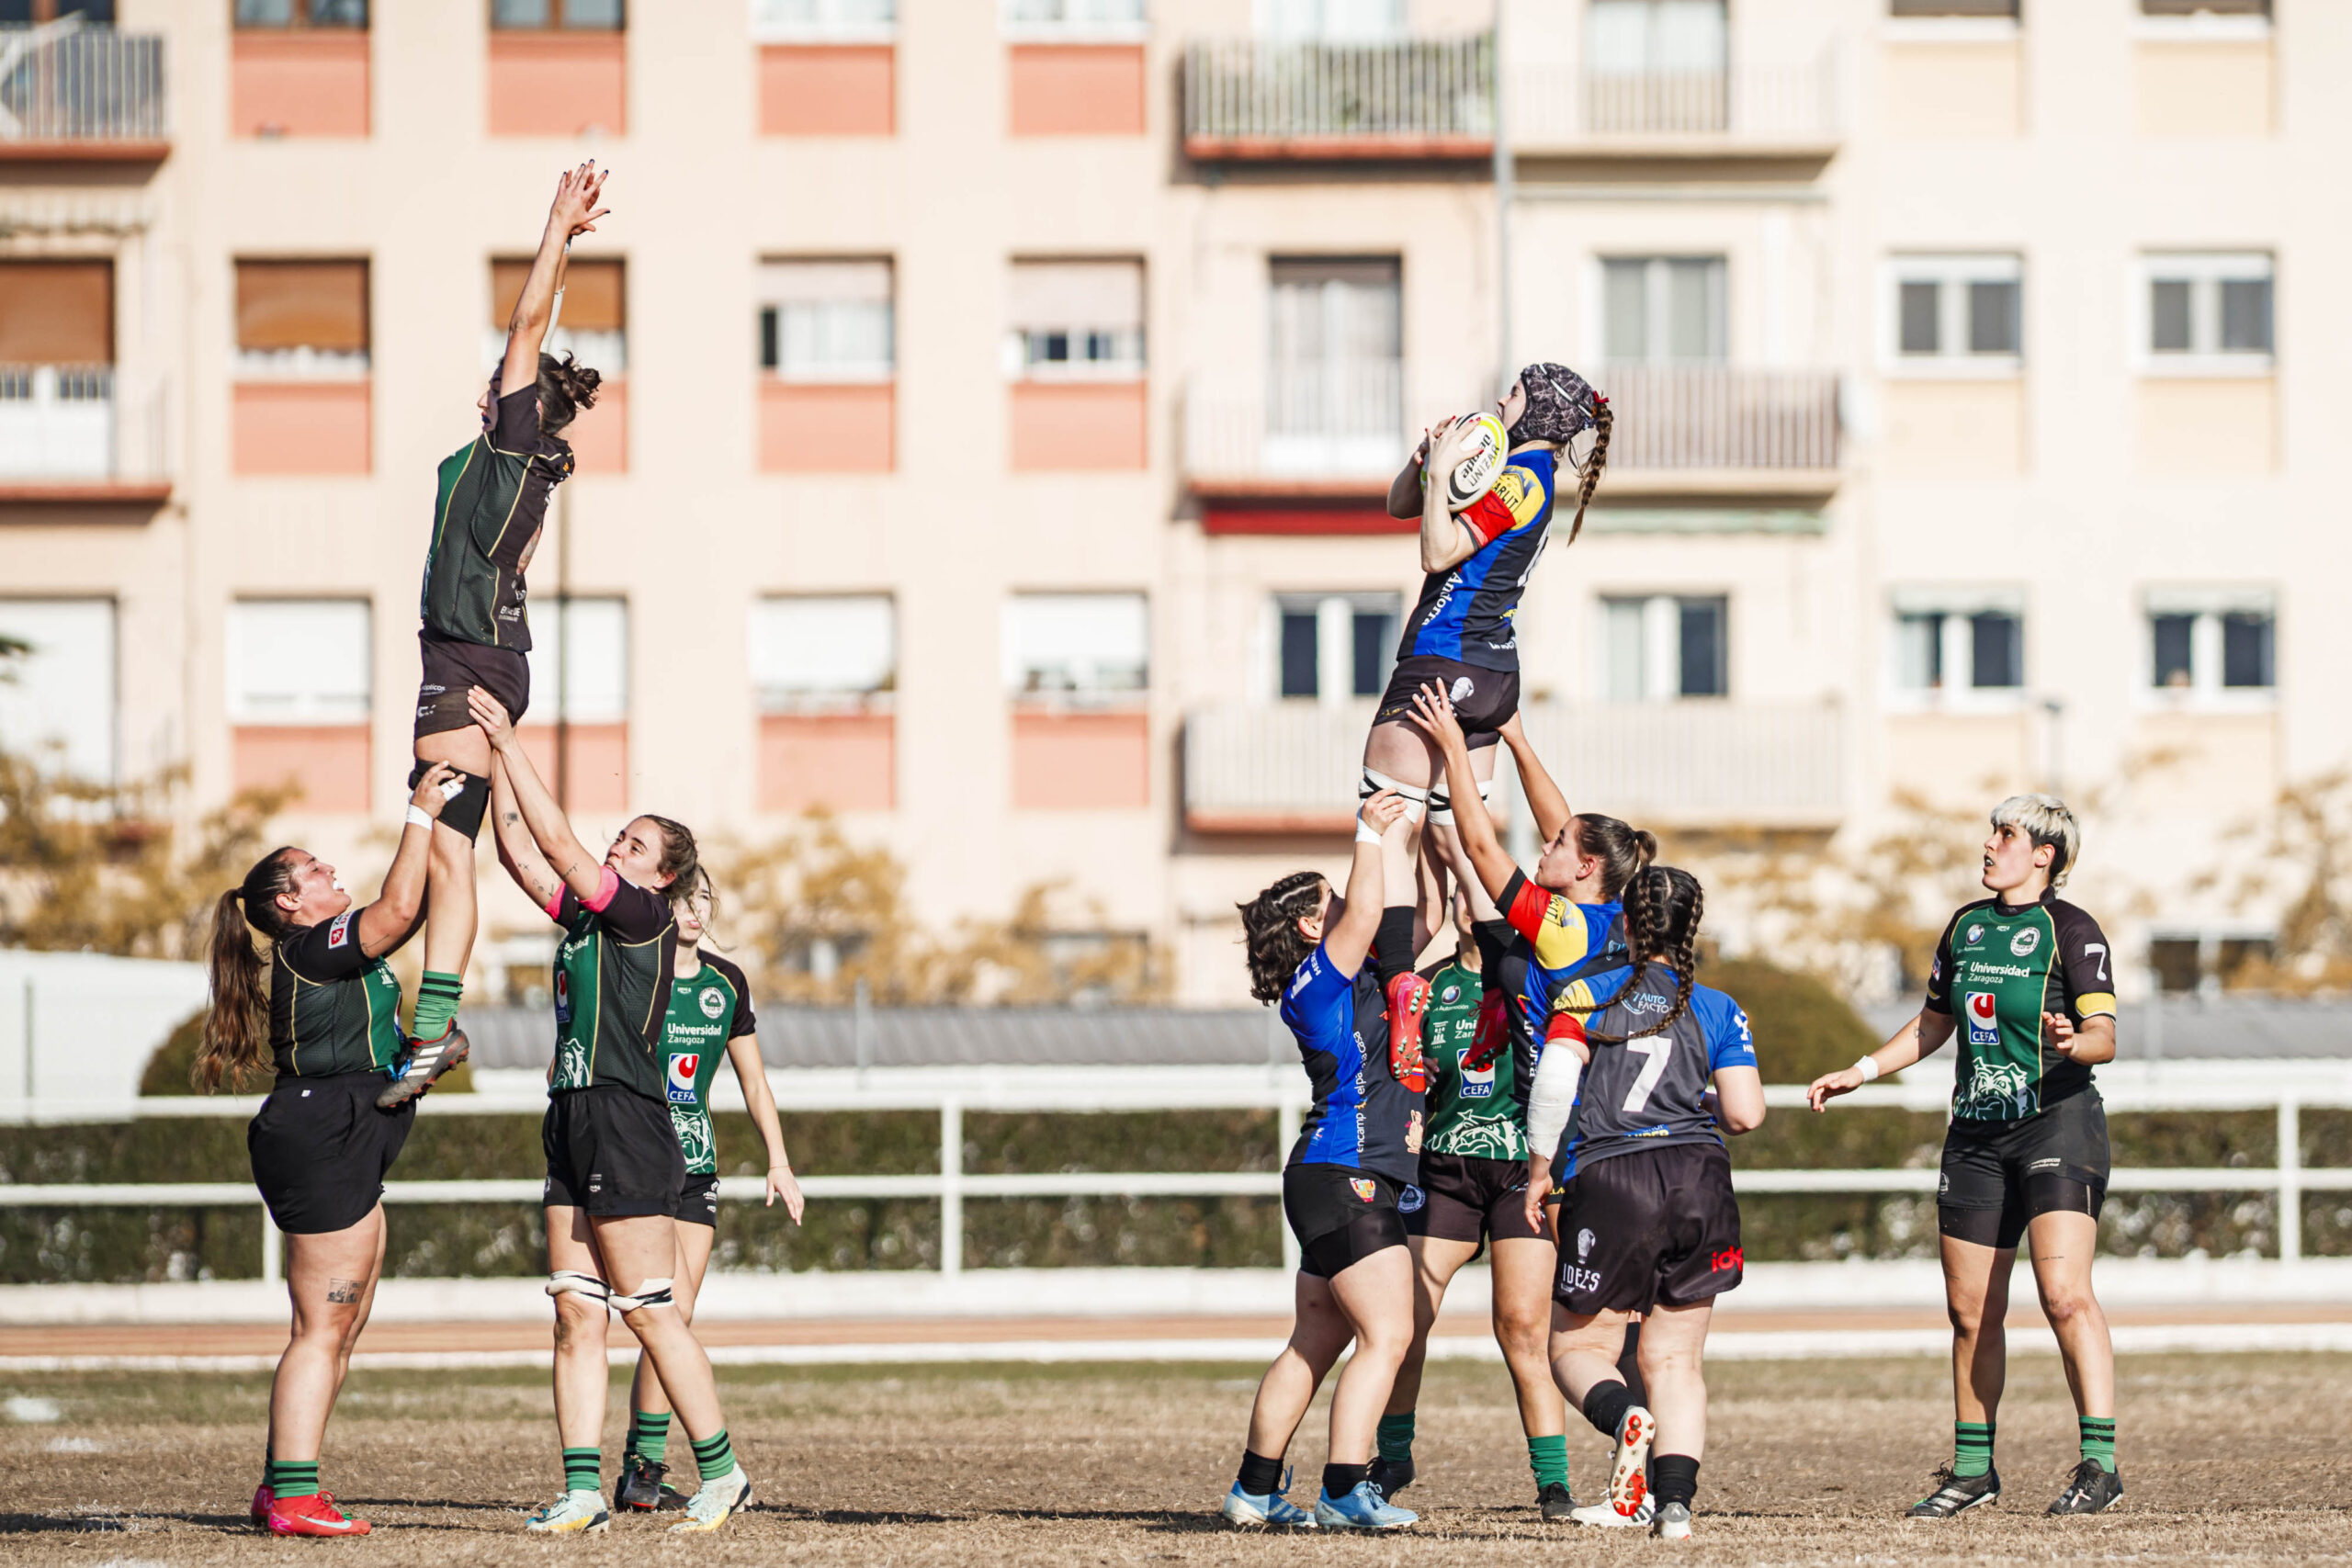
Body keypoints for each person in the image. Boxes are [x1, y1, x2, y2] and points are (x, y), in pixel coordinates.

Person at [471, 687, 752, 1536]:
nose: (614, 845)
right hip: (571, 1114)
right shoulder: (593, 921)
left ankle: (722, 1470)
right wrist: (481, 775)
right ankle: (584, 1489)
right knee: (572, 1311)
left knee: (648, 1308)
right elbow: (525, 856)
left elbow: (556, 843)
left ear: (662, 876)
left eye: (633, 844)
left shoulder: (640, 917)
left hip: (628, 1121)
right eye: (618, 836)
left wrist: (510, 742)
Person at [1808, 795, 2123, 1519]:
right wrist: (1860, 1069)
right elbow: (1932, 1024)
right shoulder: (1966, 926)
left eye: (2005, 834)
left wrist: (2077, 1040)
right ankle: (1974, 1470)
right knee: (1970, 1309)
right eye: (1993, 830)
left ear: (2044, 854)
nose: (1989, 843)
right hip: (1976, 1136)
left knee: (2064, 1295)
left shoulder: (2070, 929)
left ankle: (2100, 1462)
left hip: (2057, 1125)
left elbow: (2104, 1030)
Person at [380, 161, 610, 1111]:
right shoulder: (522, 459)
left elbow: (526, 328)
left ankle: (433, 1028)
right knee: (448, 839)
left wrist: (553, 227)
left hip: (467, 662)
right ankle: (431, 1027)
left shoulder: (514, 442)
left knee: (441, 836)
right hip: (479, 658)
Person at [1400, 692, 1662, 1521]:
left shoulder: (1556, 928)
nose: (1543, 843)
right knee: (1618, 1330)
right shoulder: (1617, 912)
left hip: (1548, 1148)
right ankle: (1644, 1452)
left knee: (1551, 1333)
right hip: (1604, 1144)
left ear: (1581, 868)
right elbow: (1574, 829)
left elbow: (1482, 845)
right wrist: (1513, 738)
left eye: (1554, 847)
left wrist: (1450, 749)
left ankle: (1587, 1457)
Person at [201, 762, 460, 1537]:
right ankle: (293, 1498)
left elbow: (368, 1054)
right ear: (289, 902)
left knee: (338, 1327)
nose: (330, 871)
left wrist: (424, 1057)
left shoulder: (324, 953)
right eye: (315, 869)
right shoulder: (310, 947)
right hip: (319, 1130)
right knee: (322, 1326)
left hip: (340, 1121)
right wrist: (420, 810)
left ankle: (284, 1476)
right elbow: (403, 905)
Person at [1355, 365, 1612, 1066]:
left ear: (1539, 414)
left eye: (1516, 393)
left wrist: (1443, 479)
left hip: (1443, 663)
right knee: (1462, 852)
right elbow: (1400, 507)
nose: (1503, 400)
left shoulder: (1520, 480)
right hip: (1492, 678)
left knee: (1388, 838)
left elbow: (1438, 549)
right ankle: (1505, 997)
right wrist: (1424, 468)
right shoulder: (1515, 470)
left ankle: (1404, 987)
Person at [1221, 788, 1430, 1533]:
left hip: (1331, 1173)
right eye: (1332, 900)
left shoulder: (1352, 975)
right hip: (1347, 1173)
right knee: (1388, 1336)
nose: (1348, 902)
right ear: (1314, 925)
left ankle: (1252, 1490)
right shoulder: (1316, 985)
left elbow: (1411, 917)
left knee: (1314, 1340)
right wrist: (1366, 833)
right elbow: (1370, 909)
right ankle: (1344, 1490)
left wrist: (1418, 834)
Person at [615, 869, 807, 1514]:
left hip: (696, 1163)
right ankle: (640, 1466)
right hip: (638, 1156)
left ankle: (643, 1469)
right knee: (659, 1309)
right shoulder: (635, 971)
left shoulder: (727, 983)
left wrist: (778, 1160)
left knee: (679, 1311)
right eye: (679, 899)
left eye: (701, 900)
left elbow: (754, 1081)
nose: (693, 910)